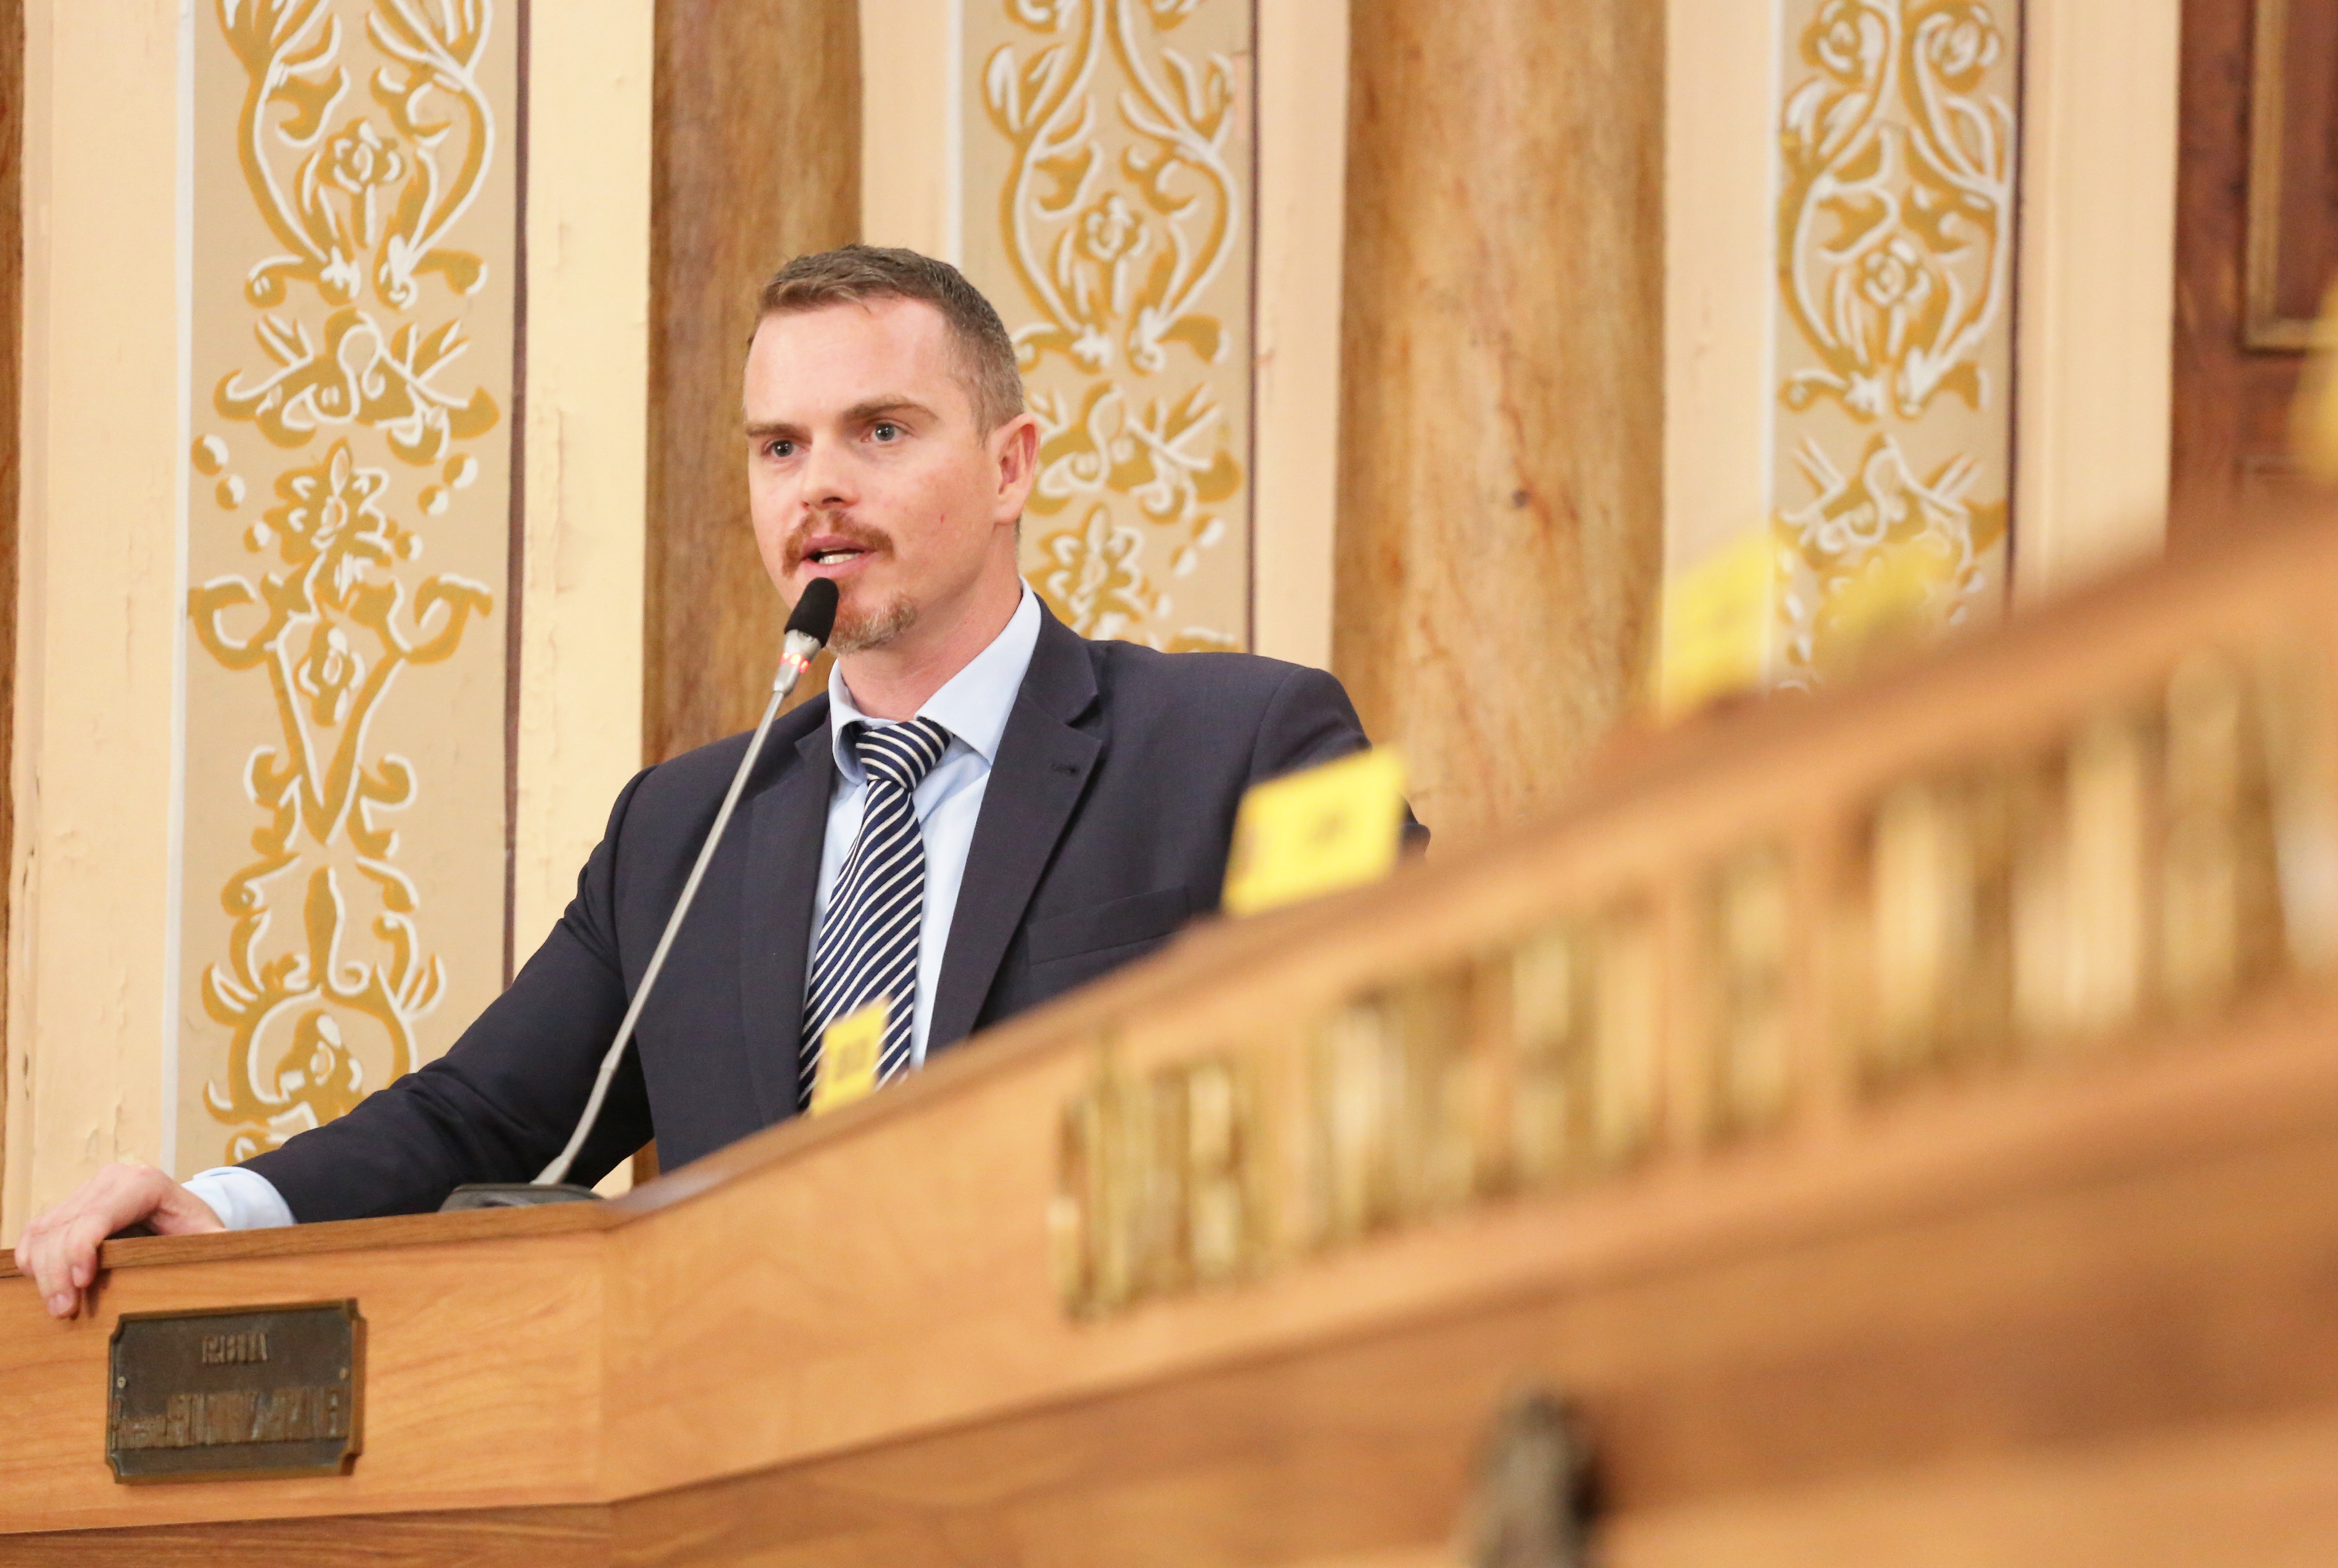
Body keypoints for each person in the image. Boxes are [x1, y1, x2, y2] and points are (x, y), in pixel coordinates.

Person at [14, 246, 1418, 1318]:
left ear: (1010, 467)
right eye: (779, 447)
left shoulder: (1240, 744)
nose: (819, 487)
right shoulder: (682, 830)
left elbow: (1391, 1057)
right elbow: (483, 1119)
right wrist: (218, 1208)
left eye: (880, 431)